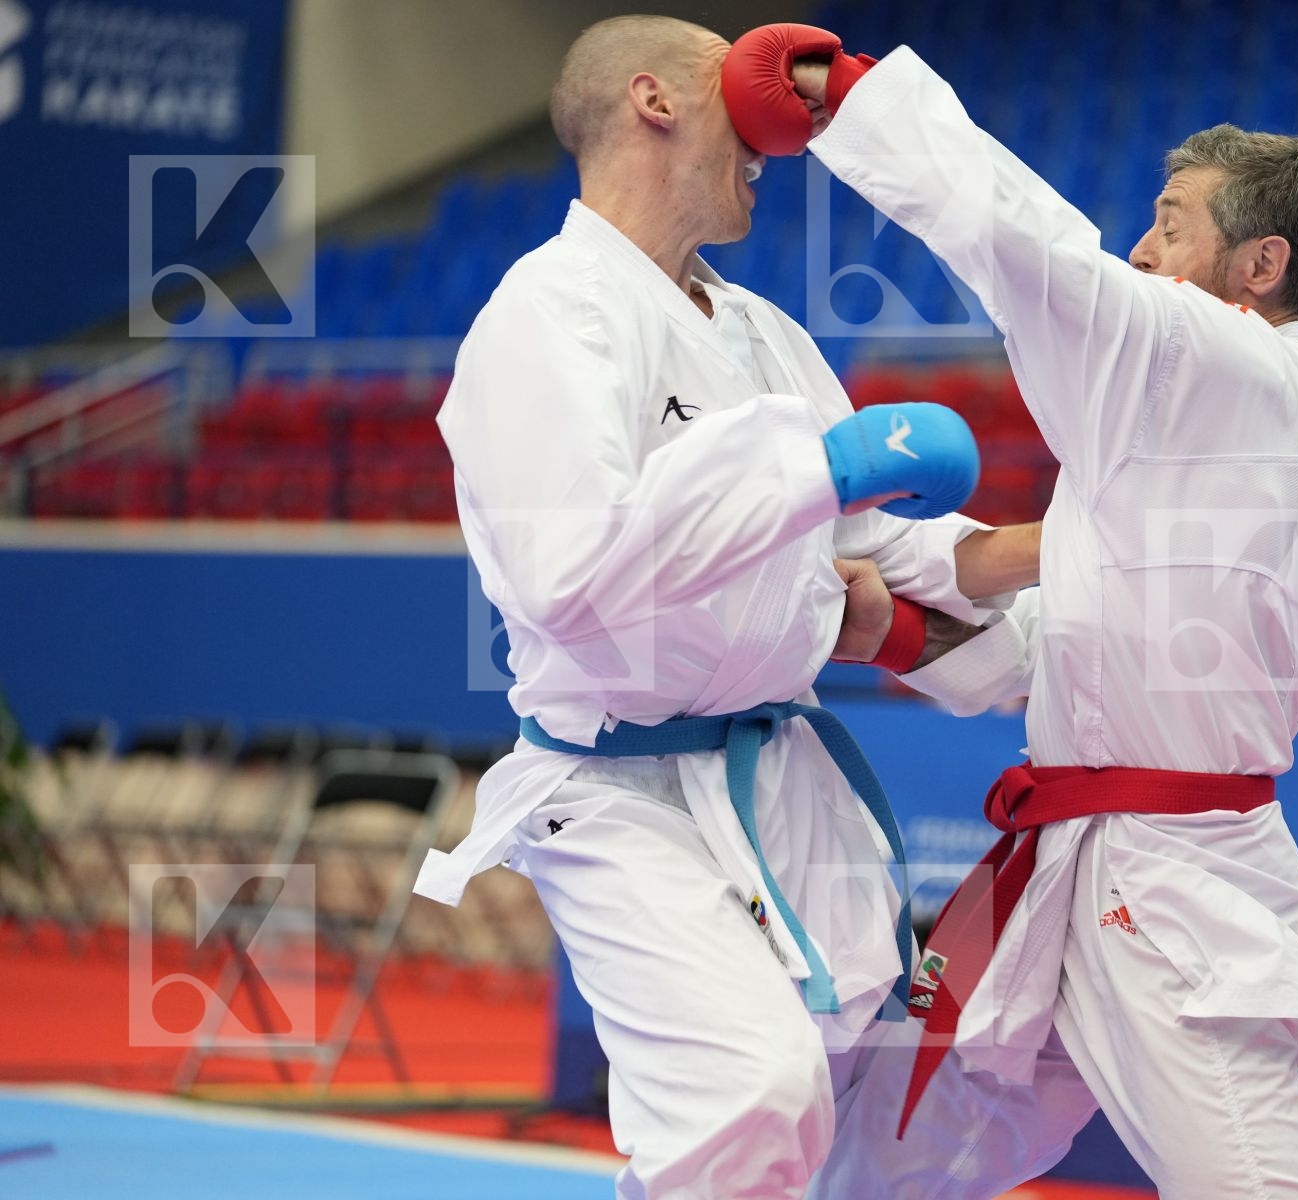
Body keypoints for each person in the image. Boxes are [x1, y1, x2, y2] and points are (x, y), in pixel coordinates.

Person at [725, 25, 1298, 1198]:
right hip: (1091, 856)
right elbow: (1102, 638)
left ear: (1257, 266)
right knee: (896, 1156)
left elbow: (1032, 251)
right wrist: (901, 631)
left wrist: (847, 100)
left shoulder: (1230, 373)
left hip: (1171, 887)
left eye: (1172, 220)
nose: (1144, 247)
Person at [409, 17, 1061, 1198]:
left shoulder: (765, 333)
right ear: (656, 102)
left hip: (775, 781)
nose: (773, 137)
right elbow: (575, 575)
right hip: (617, 791)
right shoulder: (545, 315)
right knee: (747, 1095)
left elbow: (885, 547)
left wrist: (1068, 548)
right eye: (740, 101)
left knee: (830, 1100)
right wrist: (816, 473)